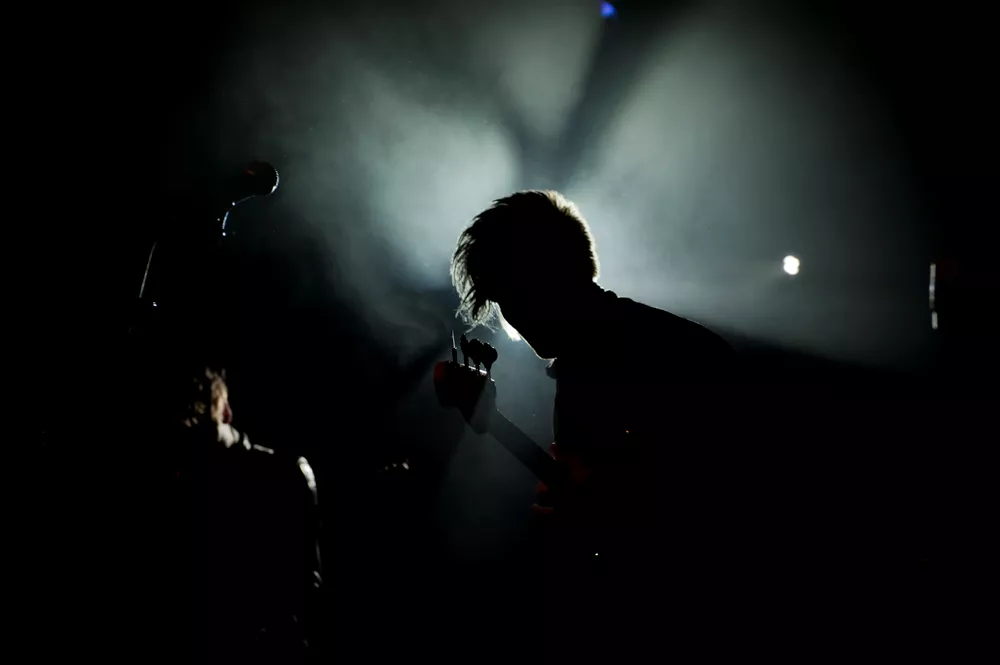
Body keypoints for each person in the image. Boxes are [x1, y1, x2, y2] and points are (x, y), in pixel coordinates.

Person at [450, 190, 738, 657]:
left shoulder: (669, 354)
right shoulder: (585, 365)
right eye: (504, 301)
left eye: (515, 294)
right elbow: (591, 497)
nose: (513, 316)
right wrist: (494, 424)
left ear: (555, 275)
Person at [143, 363, 323, 663]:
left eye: (201, 427)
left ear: (224, 413)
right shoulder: (185, 487)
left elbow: (308, 588)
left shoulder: (282, 474)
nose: (193, 443)